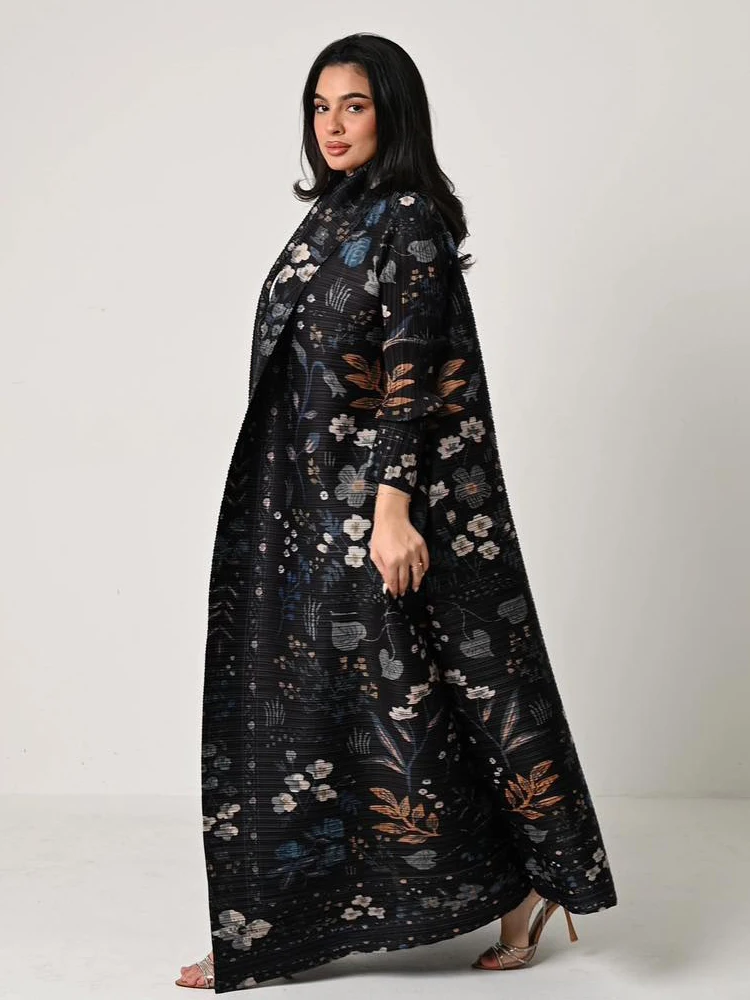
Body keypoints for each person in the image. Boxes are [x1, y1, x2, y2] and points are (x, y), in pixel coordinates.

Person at [176, 32, 617, 993]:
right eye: (320, 107)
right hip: (308, 511)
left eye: (355, 105)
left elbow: (413, 371)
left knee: (401, 703)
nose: (331, 126)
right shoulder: (333, 215)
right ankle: (285, 924)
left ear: (394, 113)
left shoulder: (408, 218)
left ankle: (477, 893)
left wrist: (391, 509)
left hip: (373, 505)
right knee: (330, 707)